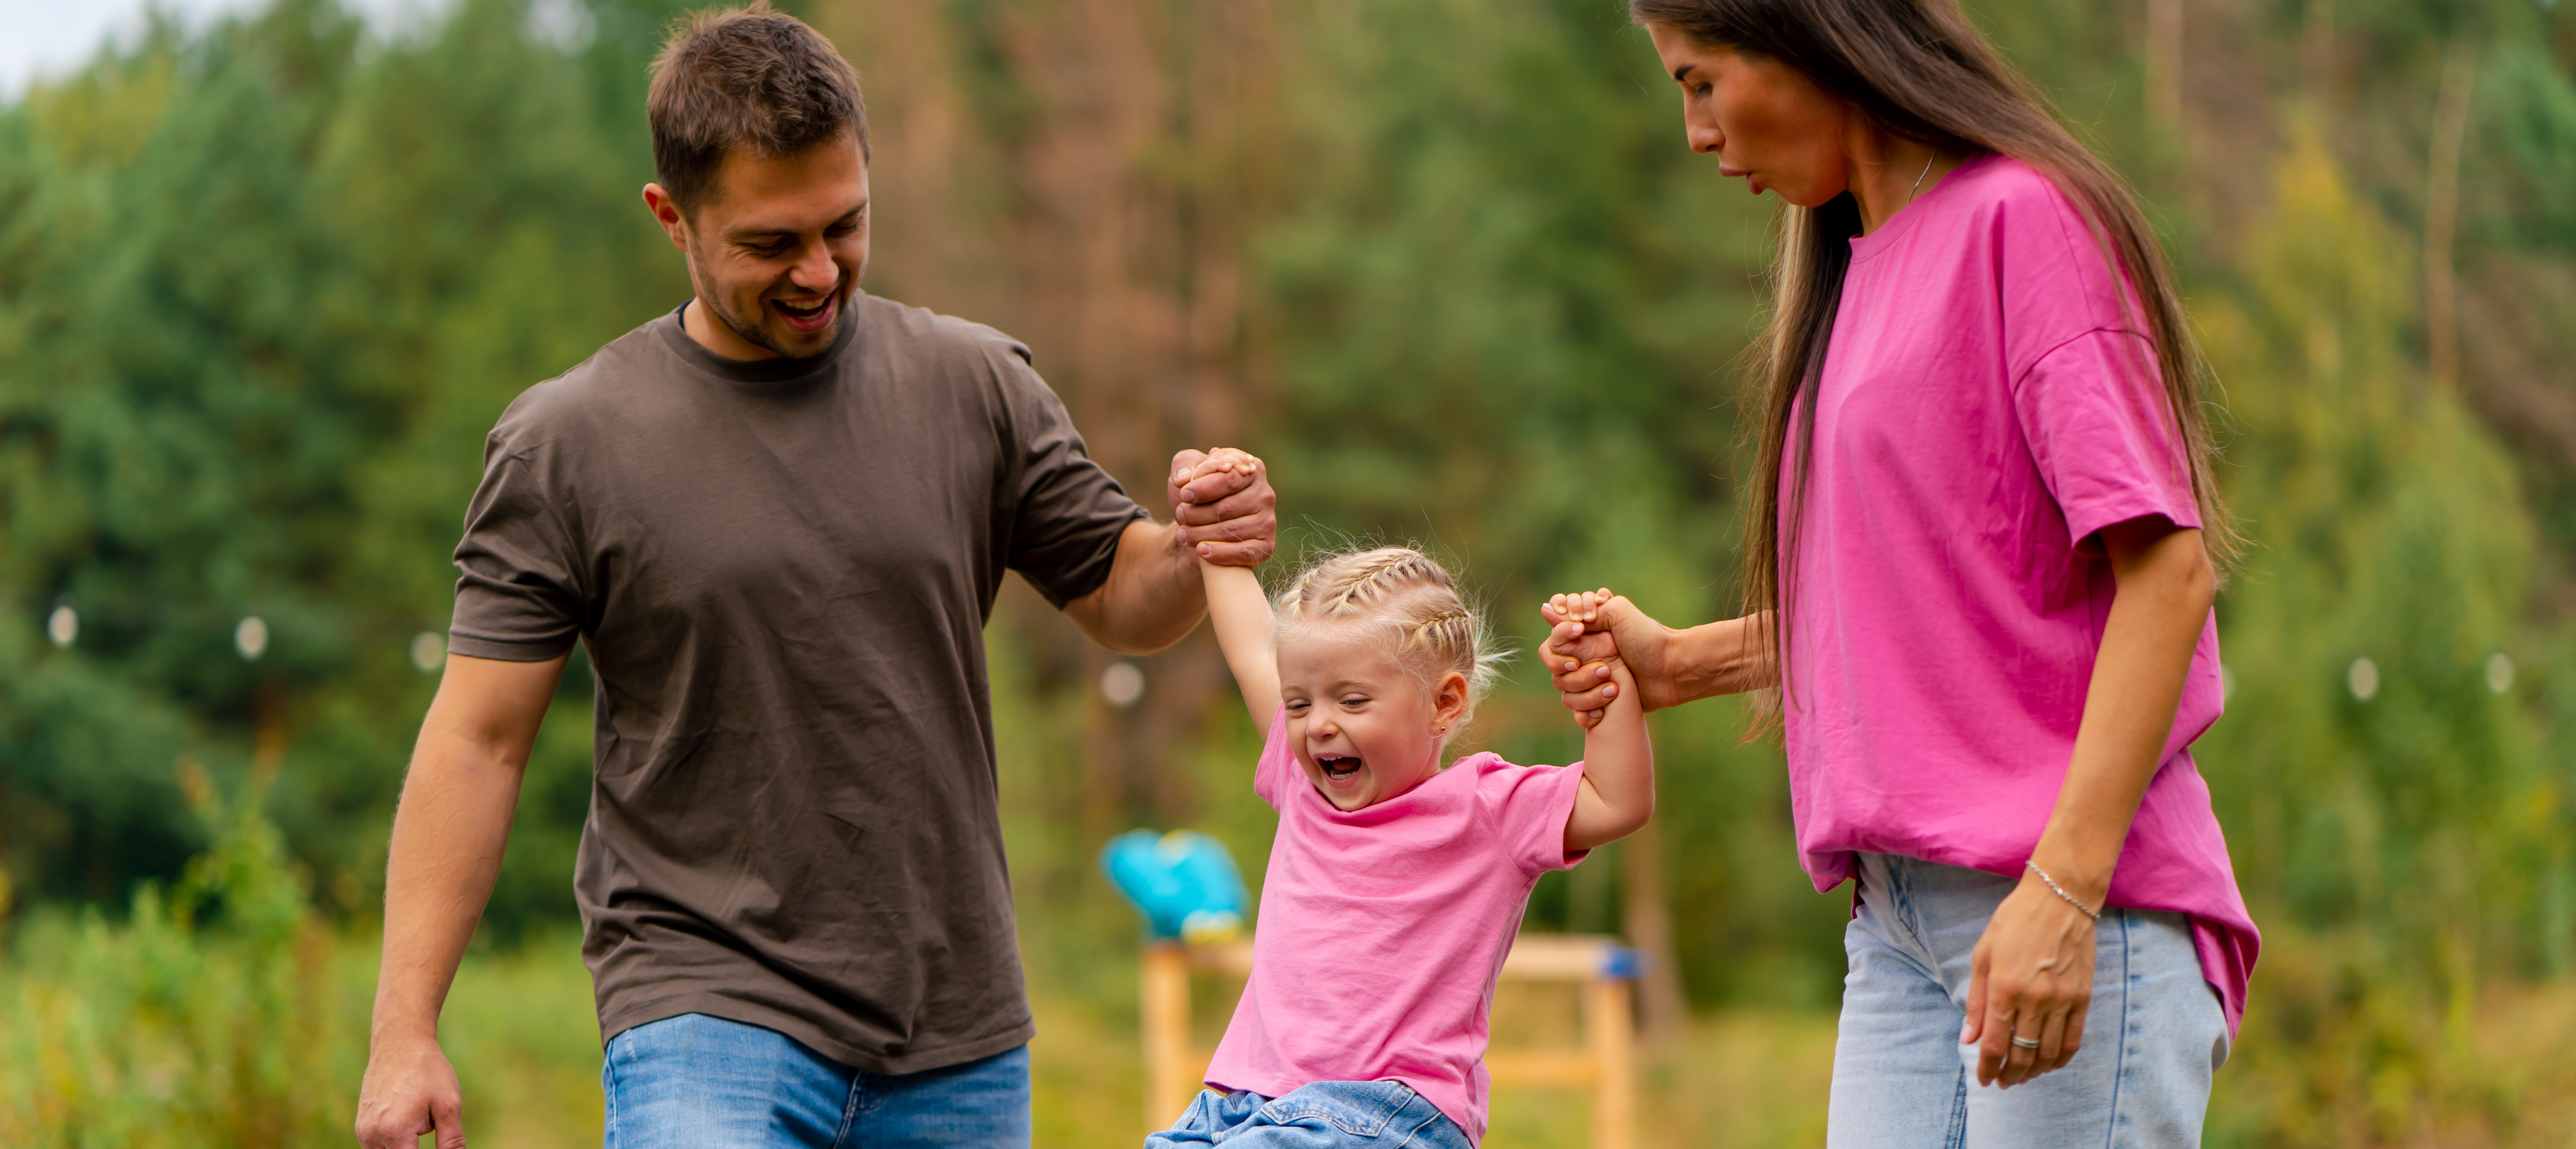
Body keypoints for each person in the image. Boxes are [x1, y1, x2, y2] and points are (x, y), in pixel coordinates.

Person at [349, 6, 1276, 1148]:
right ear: (671, 219)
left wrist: (1194, 543)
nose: (817, 269)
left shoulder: (974, 384)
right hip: (701, 1007)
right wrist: (404, 1028)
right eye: (769, 242)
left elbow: (1123, 600)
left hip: (959, 1032)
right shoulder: (568, 442)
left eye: (844, 225)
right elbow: (477, 738)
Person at [1539, 1, 2260, 1145]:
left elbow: (2166, 572)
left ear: (1807, 36)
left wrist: (2062, 890)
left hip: (2068, 897)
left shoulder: (2023, 220)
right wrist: (1683, 660)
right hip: (1897, 921)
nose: (1695, 133)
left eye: (1698, 81)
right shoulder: (1855, 269)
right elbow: (1939, 599)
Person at [1152, 480, 1655, 1149]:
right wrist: (1218, 536)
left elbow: (1615, 799)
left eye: (1352, 701)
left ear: (1444, 704)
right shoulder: (1302, 783)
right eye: (1299, 703)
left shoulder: (1488, 807)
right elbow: (1251, 647)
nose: (1317, 725)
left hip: (1386, 1113)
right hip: (1241, 1102)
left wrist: (1604, 687)